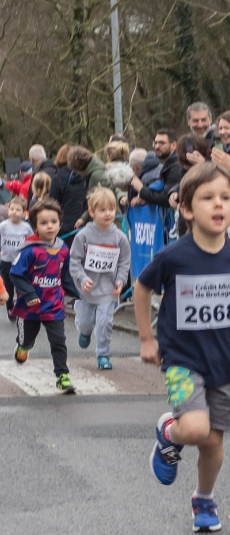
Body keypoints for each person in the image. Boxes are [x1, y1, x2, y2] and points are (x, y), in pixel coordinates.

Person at [134, 163, 230, 533]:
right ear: (186, 209)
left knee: (212, 442)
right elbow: (142, 288)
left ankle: (204, 498)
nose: (219, 204)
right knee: (195, 429)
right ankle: (170, 432)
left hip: (225, 364)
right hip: (181, 360)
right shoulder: (173, 256)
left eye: (225, 197)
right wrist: (147, 338)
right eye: (208, 198)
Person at [10, 198, 80, 394]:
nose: (49, 226)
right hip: (30, 307)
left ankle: (62, 376)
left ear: (59, 223)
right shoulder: (30, 250)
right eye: (43, 223)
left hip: (53, 305)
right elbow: (15, 274)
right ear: (35, 227)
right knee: (27, 339)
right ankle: (23, 347)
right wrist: (29, 293)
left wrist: (78, 294)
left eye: (53, 222)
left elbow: (64, 276)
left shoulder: (63, 249)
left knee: (59, 341)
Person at [68, 187, 131, 370]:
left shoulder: (120, 238)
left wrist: (120, 280)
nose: (108, 214)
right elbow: (74, 261)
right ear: (91, 212)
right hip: (86, 290)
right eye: (102, 210)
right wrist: (82, 278)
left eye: (111, 209)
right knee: (85, 322)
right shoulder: (83, 236)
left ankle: (103, 354)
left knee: (105, 323)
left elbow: (124, 262)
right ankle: (85, 331)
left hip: (108, 290)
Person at [130, 129, 182, 212]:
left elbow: (166, 198)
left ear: (173, 145)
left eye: (161, 143)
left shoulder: (176, 167)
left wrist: (141, 189)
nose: (157, 147)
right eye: (155, 143)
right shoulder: (167, 164)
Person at [0, 196, 32, 321]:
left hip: (20, 263)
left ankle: (20, 307)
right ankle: (10, 307)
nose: (14, 212)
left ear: (24, 213)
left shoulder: (26, 228)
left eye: (18, 210)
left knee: (20, 286)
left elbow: (31, 243)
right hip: (6, 261)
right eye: (12, 209)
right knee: (8, 287)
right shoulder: (3, 226)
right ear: (8, 210)